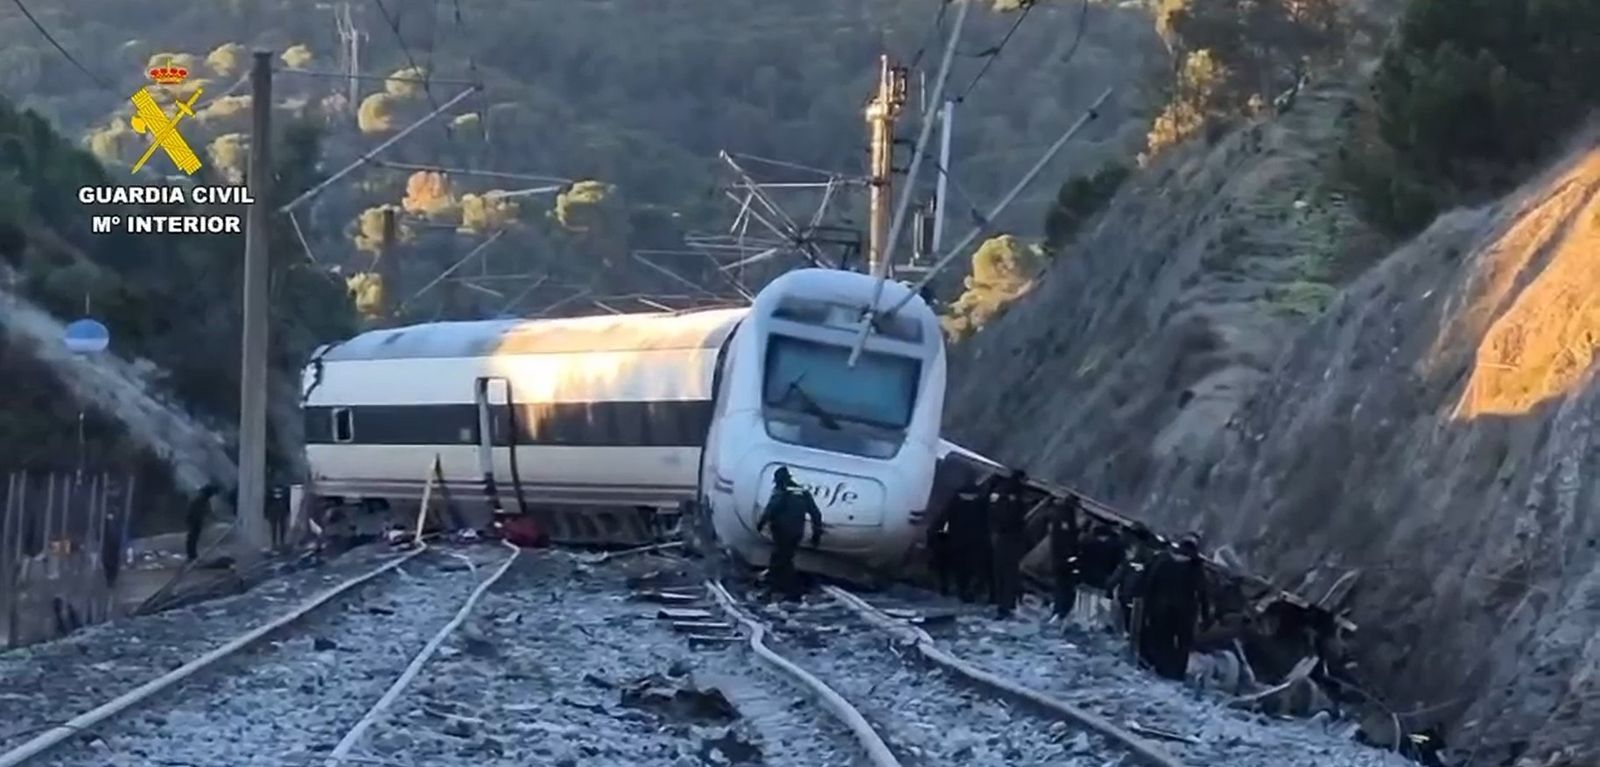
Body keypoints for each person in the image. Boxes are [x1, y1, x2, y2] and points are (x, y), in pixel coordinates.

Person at [1137, 532, 1212, 681]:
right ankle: (1176, 675)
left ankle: (1156, 670)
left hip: (1159, 608)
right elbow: (1203, 593)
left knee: (1159, 640)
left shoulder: (1163, 559)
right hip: (1185, 613)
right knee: (1182, 646)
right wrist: (1206, 617)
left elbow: (1149, 582)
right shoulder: (1196, 566)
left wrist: (1145, 606)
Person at [755, 467, 823, 601]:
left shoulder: (781, 492)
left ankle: (785, 592)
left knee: (779, 561)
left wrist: (760, 525)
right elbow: (816, 514)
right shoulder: (803, 492)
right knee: (785, 559)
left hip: (781, 532)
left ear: (780, 480)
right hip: (797, 532)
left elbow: (770, 510)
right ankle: (783, 590)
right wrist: (816, 534)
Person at [988, 469, 1028, 619]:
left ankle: (1001, 604)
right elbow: (1015, 518)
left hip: (999, 537)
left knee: (1000, 572)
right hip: (1010, 538)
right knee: (1010, 573)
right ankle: (1007, 605)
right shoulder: (1015, 496)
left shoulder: (999, 493)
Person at [948, 479, 992, 602]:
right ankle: (969, 591)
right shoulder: (980, 504)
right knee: (972, 568)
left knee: (961, 569)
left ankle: (963, 591)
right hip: (974, 542)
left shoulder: (956, 503)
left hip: (959, 541)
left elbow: (950, 520)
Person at [1048, 495, 1081, 622]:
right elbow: (1067, 541)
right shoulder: (1066, 518)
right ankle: (1061, 612)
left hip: (1058, 558)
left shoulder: (1059, 515)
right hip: (1065, 560)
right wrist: (1072, 558)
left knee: (1060, 586)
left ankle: (1058, 611)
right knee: (1065, 587)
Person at [185, 484, 219, 562]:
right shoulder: (200, 499)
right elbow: (196, 509)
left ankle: (192, 554)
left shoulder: (203, 499)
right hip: (194, 519)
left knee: (194, 537)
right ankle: (191, 555)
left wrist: (210, 516)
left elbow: (206, 509)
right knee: (192, 537)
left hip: (196, 519)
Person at [266, 485, 289, 550]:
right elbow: (268, 502)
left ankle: (279, 542)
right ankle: (276, 542)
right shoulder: (284, 491)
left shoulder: (270, 491)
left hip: (279, 510)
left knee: (281, 527)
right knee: (275, 527)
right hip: (275, 510)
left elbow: (287, 502)